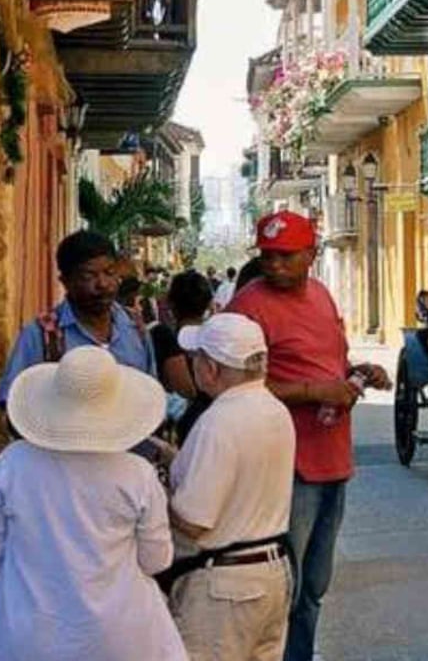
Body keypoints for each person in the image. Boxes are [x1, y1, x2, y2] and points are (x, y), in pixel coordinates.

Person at [225, 210, 391, 661]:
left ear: (311, 255)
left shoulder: (320, 295)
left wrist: (356, 373)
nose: (275, 265)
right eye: (268, 256)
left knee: (314, 585)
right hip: (285, 466)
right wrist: (312, 391)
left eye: (285, 256)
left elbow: (329, 362)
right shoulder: (248, 307)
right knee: (284, 586)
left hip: (332, 458)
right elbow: (230, 386)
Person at [0, 347, 184, 660]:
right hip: (119, 636)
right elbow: (156, 560)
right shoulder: (137, 474)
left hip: (29, 631)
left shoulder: (13, 463)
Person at [166, 313, 295, 661]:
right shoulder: (275, 410)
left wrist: (156, 495)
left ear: (211, 368)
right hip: (271, 573)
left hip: (224, 587)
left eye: (196, 360)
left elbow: (194, 520)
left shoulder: (218, 421)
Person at [0, 230, 155, 411]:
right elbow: (10, 401)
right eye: (89, 276)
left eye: (109, 272)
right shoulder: (41, 336)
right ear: (65, 281)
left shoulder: (136, 328)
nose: (102, 283)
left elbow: (150, 390)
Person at [153, 270, 215, 444]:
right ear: (209, 303)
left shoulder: (161, 338)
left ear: (170, 303)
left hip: (177, 433)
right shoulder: (219, 341)